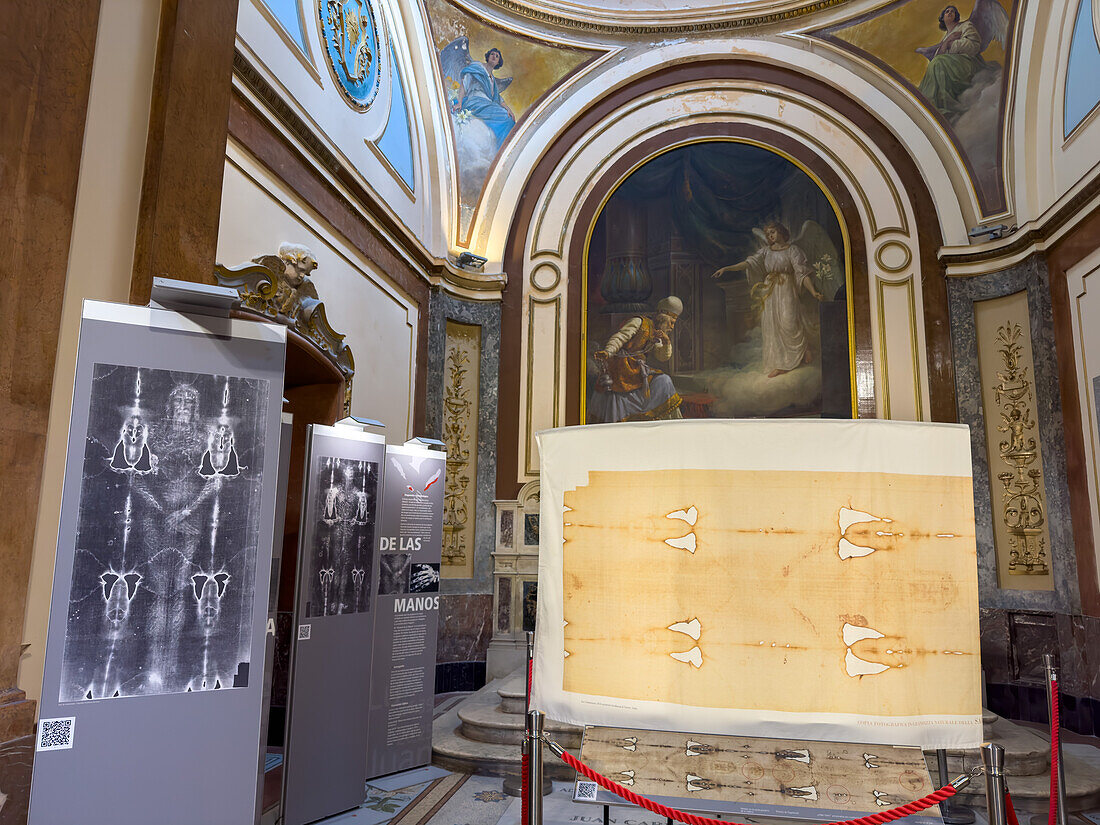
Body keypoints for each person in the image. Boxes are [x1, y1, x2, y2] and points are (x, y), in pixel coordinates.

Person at [712, 221, 824, 378]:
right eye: (768, 233)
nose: (770, 235)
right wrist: (727, 268)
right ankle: (780, 364)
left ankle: (804, 348)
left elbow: (802, 273)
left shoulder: (793, 250)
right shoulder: (765, 252)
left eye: (773, 232)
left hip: (786, 288)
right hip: (770, 290)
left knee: (789, 321)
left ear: (781, 232)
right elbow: (748, 263)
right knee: (772, 326)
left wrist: (813, 292)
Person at [589, 296, 684, 423]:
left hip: (638, 370)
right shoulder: (640, 322)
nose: (672, 327)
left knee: (664, 380)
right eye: (671, 323)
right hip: (622, 368)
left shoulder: (656, 332)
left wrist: (666, 342)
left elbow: (662, 357)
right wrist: (608, 351)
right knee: (619, 393)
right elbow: (620, 337)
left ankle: (656, 418)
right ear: (663, 318)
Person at [916, 5, 987, 119]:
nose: (950, 13)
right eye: (947, 12)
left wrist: (949, 45)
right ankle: (932, 104)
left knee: (938, 62)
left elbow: (974, 46)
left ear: (956, 16)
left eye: (953, 11)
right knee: (936, 64)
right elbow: (937, 57)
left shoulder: (966, 26)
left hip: (968, 64)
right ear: (943, 18)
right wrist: (948, 41)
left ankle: (943, 104)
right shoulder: (946, 37)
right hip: (951, 65)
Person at [457, 47, 515, 148]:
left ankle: (501, 148)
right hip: (475, 102)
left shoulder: (492, 80)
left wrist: (509, 109)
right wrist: (459, 102)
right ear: (488, 56)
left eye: (497, 56)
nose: (494, 56)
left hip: (487, 104)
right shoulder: (477, 67)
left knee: (509, 119)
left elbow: (498, 98)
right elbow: (464, 84)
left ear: (498, 62)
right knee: (506, 118)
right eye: (492, 54)